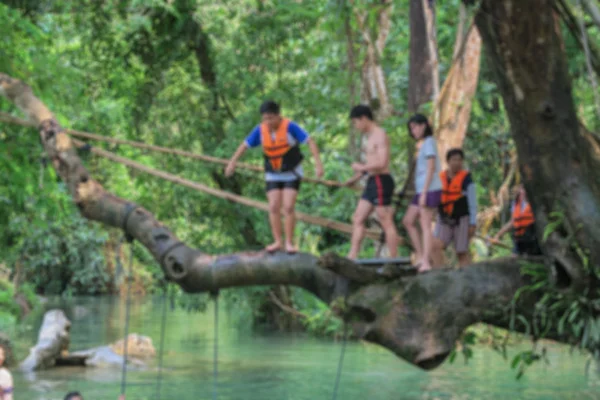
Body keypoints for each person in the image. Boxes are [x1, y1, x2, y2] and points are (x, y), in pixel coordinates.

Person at [225, 101, 324, 253]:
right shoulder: (260, 130)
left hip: (292, 172)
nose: (268, 122)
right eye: (265, 119)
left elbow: (310, 141)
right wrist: (232, 163)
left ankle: (290, 243)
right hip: (272, 173)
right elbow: (244, 145)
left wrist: (318, 165)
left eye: (271, 118)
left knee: (288, 206)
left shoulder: (290, 127)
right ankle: (278, 241)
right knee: (273, 206)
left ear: (279, 116)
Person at [344, 105, 399, 259]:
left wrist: (361, 166)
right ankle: (352, 255)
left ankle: (393, 258)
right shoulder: (369, 137)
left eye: (356, 122)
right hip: (372, 181)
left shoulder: (380, 135)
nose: (356, 126)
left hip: (382, 181)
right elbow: (370, 167)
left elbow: (382, 163)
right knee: (358, 218)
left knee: (385, 218)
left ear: (364, 118)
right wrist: (354, 178)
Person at [402, 113, 442, 272]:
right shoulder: (424, 144)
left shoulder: (430, 142)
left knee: (425, 225)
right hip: (421, 190)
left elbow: (431, 168)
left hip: (430, 189)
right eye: (411, 128)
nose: (413, 131)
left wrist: (424, 193)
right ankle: (420, 255)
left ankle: (426, 261)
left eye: (415, 127)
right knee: (408, 220)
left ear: (424, 125)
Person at [432, 148, 478, 267]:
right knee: (435, 246)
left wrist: (473, 223)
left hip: (462, 219)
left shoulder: (467, 180)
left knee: (461, 252)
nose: (457, 162)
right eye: (454, 159)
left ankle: (466, 278)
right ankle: (439, 273)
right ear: (448, 161)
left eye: (459, 160)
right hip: (444, 219)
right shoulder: (440, 178)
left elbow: (473, 202)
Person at [493, 183, 542, 256]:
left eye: (526, 189)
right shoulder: (516, 203)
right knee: (513, 258)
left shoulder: (535, 203)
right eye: (523, 189)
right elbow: (512, 222)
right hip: (519, 240)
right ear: (520, 190)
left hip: (533, 240)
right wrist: (498, 235)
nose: (524, 192)